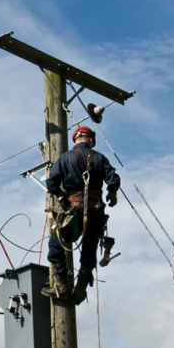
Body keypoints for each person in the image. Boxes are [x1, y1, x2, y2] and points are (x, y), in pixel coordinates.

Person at [42, 125, 120, 305]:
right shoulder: (100, 158)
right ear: (91, 140)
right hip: (95, 212)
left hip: (74, 212)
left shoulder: (65, 158)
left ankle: (61, 286)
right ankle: (81, 289)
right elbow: (113, 178)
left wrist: (62, 196)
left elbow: (52, 184)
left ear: (75, 140)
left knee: (56, 244)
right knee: (89, 249)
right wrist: (112, 193)